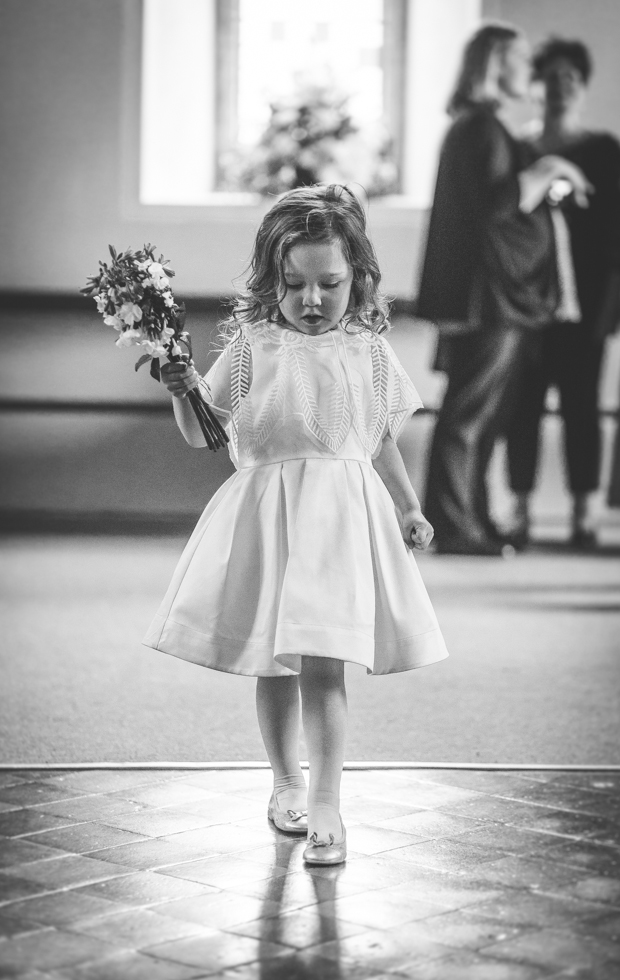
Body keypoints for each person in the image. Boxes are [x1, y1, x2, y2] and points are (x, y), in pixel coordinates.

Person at [143, 185, 448, 866]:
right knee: (275, 661)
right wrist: (180, 388)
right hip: (270, 518)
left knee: (325, 661)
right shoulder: (253, 347)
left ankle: (328, 803)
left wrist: (408, 506)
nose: (312, 299)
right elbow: (205, 432)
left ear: (358, 278)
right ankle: (286, 782)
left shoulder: (368, 349)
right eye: (294, 284)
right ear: (269, 280)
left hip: (339, 521)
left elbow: (379, 438)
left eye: (329, 284)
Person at [416, 23, 592, 555]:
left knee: (484, 415)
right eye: (520, 59)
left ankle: (473, 518)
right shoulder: (479, 128)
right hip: (488, 299)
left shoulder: (484, 127)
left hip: (499, 298)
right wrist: (551, 166)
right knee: (469, 415)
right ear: (494, 64)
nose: (529, 71)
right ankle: (454, 525)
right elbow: (497, 205)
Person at [506, 38, 620, 549]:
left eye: (569, 78)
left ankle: (582, 513)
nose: (559, 87)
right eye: (550, 78)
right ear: (536, 86)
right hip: (527, 301)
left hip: (587, 302)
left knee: (582, 405)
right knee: (521, 405)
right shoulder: (517, 148)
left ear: (582, 86)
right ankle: (520, 508)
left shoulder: (603, 151)